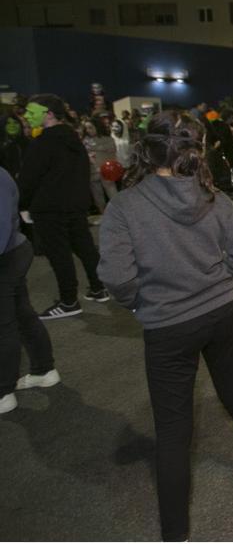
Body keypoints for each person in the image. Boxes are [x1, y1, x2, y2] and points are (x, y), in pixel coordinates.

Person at [97, 112, 233, 542]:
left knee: (174, 429)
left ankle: (175, 534)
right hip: (220, 313)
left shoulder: (125, 205)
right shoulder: (213, 196)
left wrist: (142, 303)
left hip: (167, 324)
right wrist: (213, 282)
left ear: (146, 150)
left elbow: (117, 277)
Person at [18, 95, 109, 318]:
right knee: (85, 248)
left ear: (48, 113)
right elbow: (83, 173)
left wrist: (22, 204)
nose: (26, 116)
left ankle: (69, 302)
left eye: (32, 111)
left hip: (49, 208)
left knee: (59, 255)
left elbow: (29, 179)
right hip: (75, 206)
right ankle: (99, 288)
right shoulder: (74, 139)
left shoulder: (42, 143)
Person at [1, 167, 59, 415]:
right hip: (11, 252)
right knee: (21, 314)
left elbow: (2, 228)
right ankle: (44, 369)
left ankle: (3, 391)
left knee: (5, 324)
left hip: (7, 255)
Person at [82, 120, 119, 214]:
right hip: (93, 171)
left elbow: (112, 151)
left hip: (107, 170)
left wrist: (94, 149)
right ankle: (103, 214)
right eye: (86, 128)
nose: (88, 130)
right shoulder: (85, 141)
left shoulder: (107, 139)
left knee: (112, 192)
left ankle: (119, 213)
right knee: (97, 195)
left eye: (90, 127)